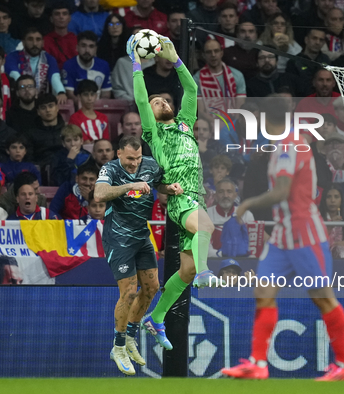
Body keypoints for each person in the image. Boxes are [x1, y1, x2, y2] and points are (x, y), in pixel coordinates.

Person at [222, 95, 344, 381]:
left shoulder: (289, 146)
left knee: (323, 298)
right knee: (263, 292)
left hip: (305, 232)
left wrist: (246, 203)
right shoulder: (284, 144)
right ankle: (258, 363)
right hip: (283, 233)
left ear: (264, 121)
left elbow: (282, 191)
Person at [130, 34, 217, 351]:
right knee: (206, 229)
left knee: (186, 270)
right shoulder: (152, 133)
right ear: (149, 114)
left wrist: (177, 59)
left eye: (164, 100)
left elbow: (191, 90)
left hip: (197, 196)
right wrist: (137, 65)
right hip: (181, 198)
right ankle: (207, 271)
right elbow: (140, 99)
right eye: (156, 103)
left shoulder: (184, 122)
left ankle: (156, 317)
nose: (162, 102)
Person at [93, 135, 182, 375]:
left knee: (152, 287)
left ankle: (131, 336)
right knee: (129, 291)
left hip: (142, 236)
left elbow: (158, 185)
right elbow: (99, 195)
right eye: (130, 158)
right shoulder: (110, 169)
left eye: (138, 157)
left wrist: (169, 189)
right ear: (119, 153)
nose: (134, 163)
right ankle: (118, 347)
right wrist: (130, 186)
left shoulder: (150, 165)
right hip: (118, 239)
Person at [4, 28, 67, 104]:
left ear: (43, 43)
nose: (35, 44)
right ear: (23, 42)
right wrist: (30, 90)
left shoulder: (49, 58)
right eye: (30, 39)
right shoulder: (13, 56)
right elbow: (15, 75)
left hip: (42, 101)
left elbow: (54, 76)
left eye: (38, 40)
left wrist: (61, 92)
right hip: (19, 100)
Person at [193, 39, 247, 113]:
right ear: (203, 55)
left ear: (221, 53)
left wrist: (233, 123)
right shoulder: (196, 79)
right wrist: (218, 123)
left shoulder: (237, 75)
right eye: (209, 52)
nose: (213, 55)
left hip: (234, 120)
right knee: (201, 124)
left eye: (216, 51)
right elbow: (201, 111)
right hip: (209, 121)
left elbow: (241, 107)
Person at [207, 178, 254, 257]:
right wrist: (224, 254)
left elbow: (251, 248)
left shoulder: (247, 215)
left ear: (235, 195)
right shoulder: (205, 214)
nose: (225, 195)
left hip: (242, 262)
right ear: (215, 196)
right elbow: (204, 249)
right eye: (221, 192)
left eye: (229, 192)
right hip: (212, 263)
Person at [27, 93, 66, 168]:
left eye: (51, 106)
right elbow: (29, 159)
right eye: (43, 107)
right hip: (42, 171)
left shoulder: (67, 130)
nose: (47, 110)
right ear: (38, 112)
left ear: (57, 108)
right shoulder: (31, 134)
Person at [319, 184, 344, 259]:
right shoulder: (317, 219)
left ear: (341, 200)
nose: (332, 200)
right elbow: (314, 244)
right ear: (324, 199)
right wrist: (329, 227)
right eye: (329, 197)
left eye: (336, 197)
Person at [43, 3, 77, 71]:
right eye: (57, 14)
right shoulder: (45, 40)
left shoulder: (76, 39)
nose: (61, 17)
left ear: (69, 18)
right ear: (51, 19)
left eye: (64, 14)